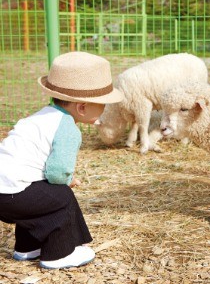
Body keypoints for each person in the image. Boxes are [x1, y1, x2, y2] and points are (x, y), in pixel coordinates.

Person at [0, 51, 124, 269]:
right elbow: (57, 172)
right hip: (13, 194)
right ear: (82, 107)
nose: (103, 110)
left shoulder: (43, 115)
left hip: (6, 193)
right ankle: (59, 254)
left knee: (39, 194)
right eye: (101, 105)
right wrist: (68, 180)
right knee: (62, 197)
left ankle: (27, 248)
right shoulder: (68, 128)